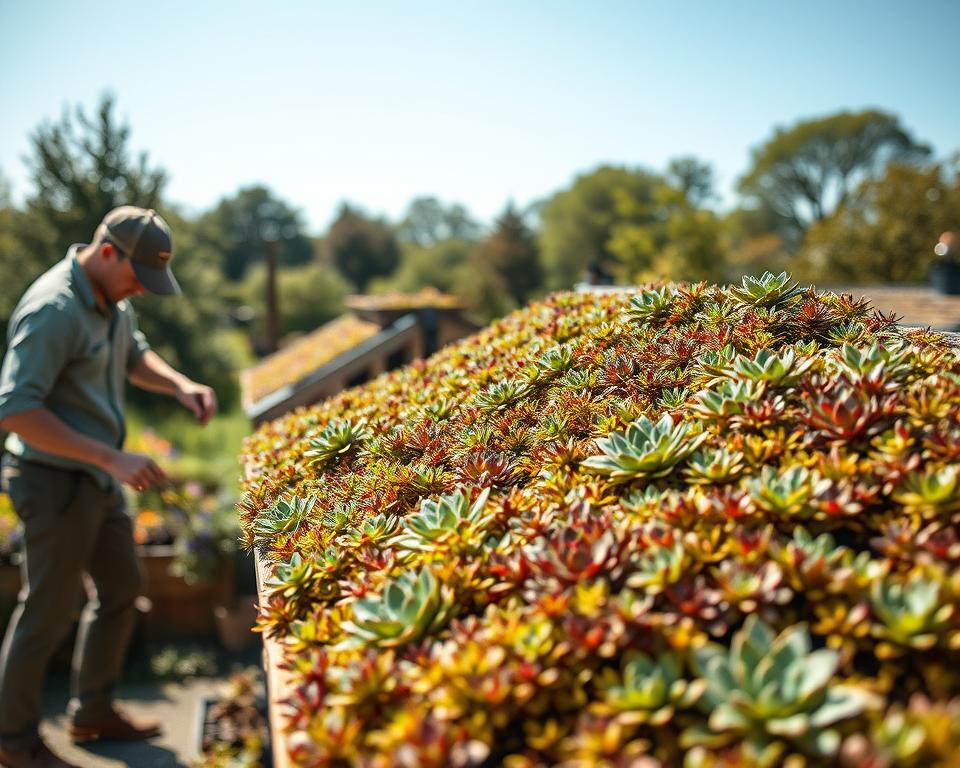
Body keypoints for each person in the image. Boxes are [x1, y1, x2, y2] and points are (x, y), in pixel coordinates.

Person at [0, 206, 217, 768]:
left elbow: (135, 355)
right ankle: (13, 740)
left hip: (99, 474)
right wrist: (111, 457)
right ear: (106, 254)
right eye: (136, 277)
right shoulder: (54, 309)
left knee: (122, 590)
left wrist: (180, 385)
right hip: (52, 480)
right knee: (47, 610)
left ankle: (91, 713)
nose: (141, 291)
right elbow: (15, 408)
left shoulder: (111, 301)